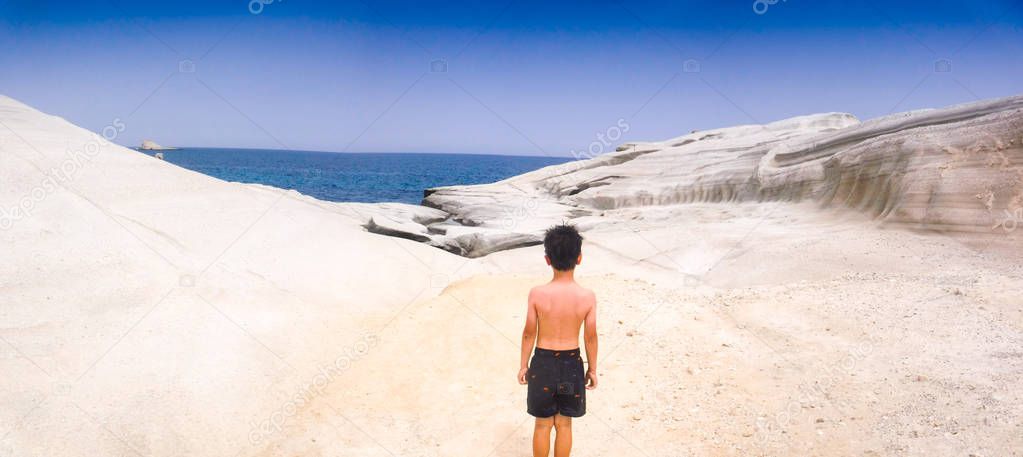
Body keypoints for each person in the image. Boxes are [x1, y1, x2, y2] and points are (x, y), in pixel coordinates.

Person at [518, 224, 598, 457]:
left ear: (547, 259)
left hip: (542, 365)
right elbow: (590, 336)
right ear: (579, 258)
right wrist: (592, 368)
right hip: (571, 366)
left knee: (542, 424)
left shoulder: (537, 294)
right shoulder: (587, 297)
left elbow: (528, 333)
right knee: (564, 424)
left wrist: (524, 364)